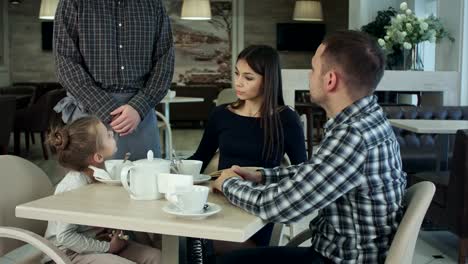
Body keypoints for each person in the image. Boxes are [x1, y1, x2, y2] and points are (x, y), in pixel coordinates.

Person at [212, 30, 407, 264]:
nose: (309, 75)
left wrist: (228, 183)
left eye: (313, 68)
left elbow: (280, 207)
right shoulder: (367, 119)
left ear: (330, 80)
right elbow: (318, 171)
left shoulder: (353, 136)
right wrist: (261, 176)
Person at [189, 45, 307, 252]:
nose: (238, 82)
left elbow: (302, 174)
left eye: (248, 77)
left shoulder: (287, 119)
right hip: (219, 203)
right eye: (236, 74)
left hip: (258, 212)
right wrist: (168, 170)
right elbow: (199, 159)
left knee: (194, 245)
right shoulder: (221, 115)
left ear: (268, 80)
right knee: (179, 239)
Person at [53, 0, 175, 160]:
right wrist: (107, 109)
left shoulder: (154, 4)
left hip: (140, 118)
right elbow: (65, 63)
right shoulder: (73, 2)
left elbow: (164, 62)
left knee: (146, 181)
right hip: (89, 118)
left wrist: (138, 107)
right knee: (89, 184)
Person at [44, 116, 161, 264]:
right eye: (107, 134)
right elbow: (65, 237)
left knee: (158, 258)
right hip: (65, 255)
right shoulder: (73, 186)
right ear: (98, 156)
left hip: (97, 243)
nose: (112, 133)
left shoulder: (102, 175)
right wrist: (107, 247)